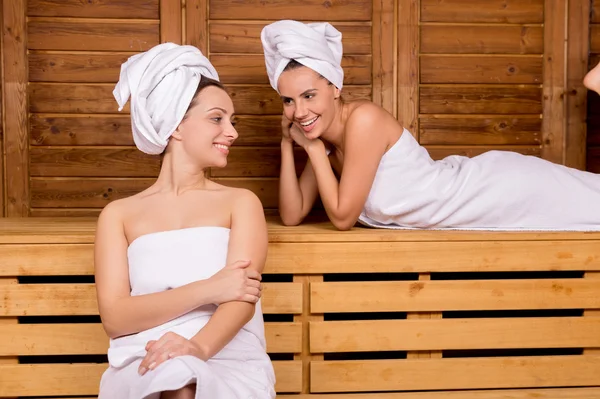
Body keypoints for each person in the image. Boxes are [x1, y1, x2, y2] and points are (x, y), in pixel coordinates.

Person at [261, 20, 600, 231]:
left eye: (308, 96)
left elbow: (342, 218)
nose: (299, 110)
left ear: (336, 88)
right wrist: (289, 146)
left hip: (497, 190)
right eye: (288, 101)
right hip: (482, 202)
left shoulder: (362, 120)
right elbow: (292, 216)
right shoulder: (321, 138)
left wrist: (315, 151)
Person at [95, 43, 276, 399]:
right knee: (171, 375)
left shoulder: (240, 203)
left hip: (226, 352)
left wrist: (197, 349)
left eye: (232, 120)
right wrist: (210, 288)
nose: (232, 132)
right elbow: (116, 319)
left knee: (183, 379)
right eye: (216, 118)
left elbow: (241, 299)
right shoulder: (118, 215)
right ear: (176, 124)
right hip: (142, 353)